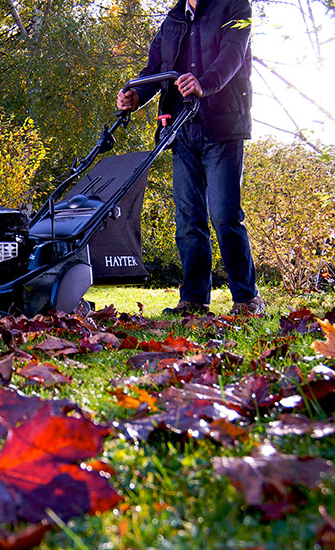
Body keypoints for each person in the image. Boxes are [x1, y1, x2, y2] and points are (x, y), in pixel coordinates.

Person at [117, 0, 265, 316]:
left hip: (221, 126)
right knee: (188, 219)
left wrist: (204, 83)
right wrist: (135, 96)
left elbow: (233, 56)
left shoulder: (234, 6)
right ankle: (194, 301)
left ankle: (247, 299)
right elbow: (155, 70)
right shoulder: (173, 19)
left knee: (225, 215)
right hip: (181, 130)